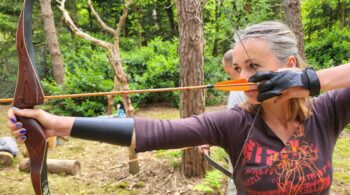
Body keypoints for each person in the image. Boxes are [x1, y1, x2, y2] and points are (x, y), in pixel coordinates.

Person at [7, 21, 350, 194]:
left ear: (290, 64)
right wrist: (55, 124)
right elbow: (160, 131)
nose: (243, 78)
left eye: (255, 68)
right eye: (240, 68)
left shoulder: (327, 112)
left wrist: (312, 81)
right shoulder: (234, 123)